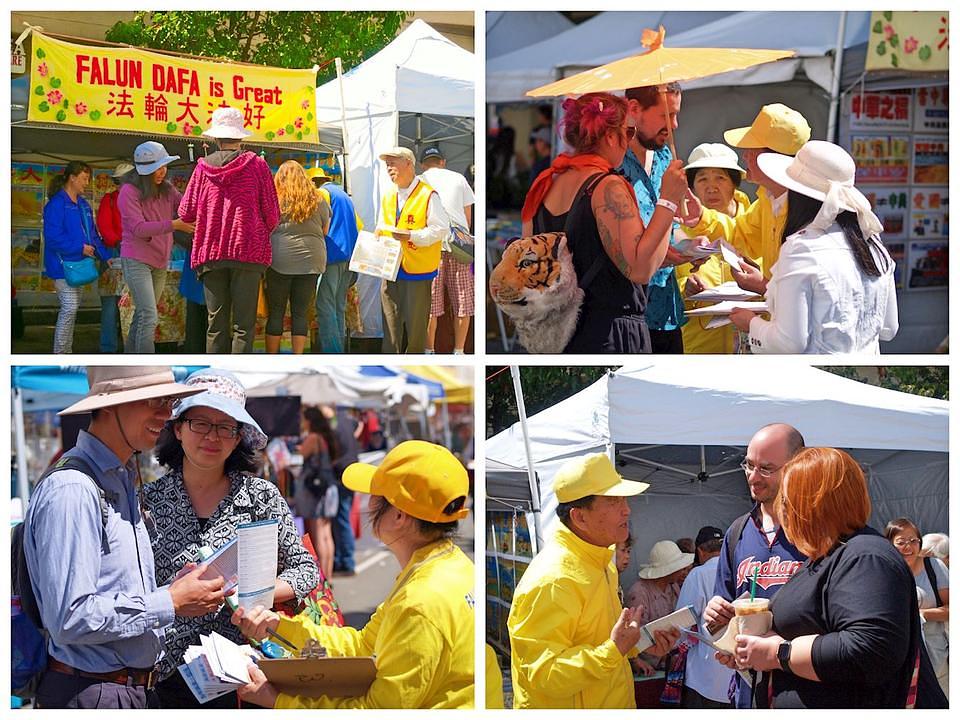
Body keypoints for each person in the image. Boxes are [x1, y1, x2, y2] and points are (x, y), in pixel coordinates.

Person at [22, 367, 228, 708]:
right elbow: (70, 618)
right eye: (153, 401)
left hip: (117, 690)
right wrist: (170, 601)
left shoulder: (117, 478)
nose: (166, 413)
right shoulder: (74, 488)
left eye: (169, 401)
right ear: (108, 405)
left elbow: (108, 591)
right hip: (92, 692)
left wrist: (172, 592)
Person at [231, 440, 475, 708]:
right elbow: (362, 646)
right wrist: (279, 627)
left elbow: (377, 709)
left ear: (399, 516)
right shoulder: (449, 565)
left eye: (376, 494)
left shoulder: (420, 603)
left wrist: (277, 701)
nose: (369, 503)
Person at [142, 369, 320, 707]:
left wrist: (254, 596)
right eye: (200, 424)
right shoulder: (146, 502)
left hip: (248, 671)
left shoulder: (261, 496)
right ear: (178, 429)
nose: (213, 436)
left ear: (238, 437)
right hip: (166, 672)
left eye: (226, 427)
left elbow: (305, 569)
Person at [731, 448, 947, 708]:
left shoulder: (865, 556)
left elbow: (870, 649)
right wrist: (754, 646)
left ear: (814, 502)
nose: (782, 508)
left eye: (787, 499)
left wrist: (779, 653)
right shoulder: (827, 555)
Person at [507, 453, 679, 708]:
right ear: (580, 517)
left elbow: (602, 640)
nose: (626, 510)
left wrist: (640, 643)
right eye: (613, 501)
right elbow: (543, 674)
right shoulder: (553, 578)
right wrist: (614, 650)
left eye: (624, 499)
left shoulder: (602, 564)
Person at [520, 92, 688, 353]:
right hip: (607, 333)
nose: (629, 140)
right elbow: (640, 268)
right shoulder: (608, 186)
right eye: (628, 132)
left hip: (561, 332)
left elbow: (528, 256)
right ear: (610, 136)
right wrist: (668, 201)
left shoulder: (545, 183)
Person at [729, 141, 899, 353]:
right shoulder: (873, 243)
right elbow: (888, 328)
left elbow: (788, 343)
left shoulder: (801, 248)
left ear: (798, 195)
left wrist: (751, 323)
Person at [702, 423, 806, 708]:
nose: (753, 477)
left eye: (766, 469)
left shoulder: (815, 533)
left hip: (803, 691)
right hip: (750, 692)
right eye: (749, 465)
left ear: (796, 466)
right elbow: (723, 616)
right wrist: (716, 618)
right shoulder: (738, 532)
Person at [179, 106, 281, 353]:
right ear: (240, 137)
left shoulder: (202, 169)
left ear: (215, 138)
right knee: (244, 326)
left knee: (216, 325)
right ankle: (239, 372)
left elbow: (185, 212)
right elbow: (272, 215)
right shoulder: (258, 166)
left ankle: (216, 371)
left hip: (211, 254)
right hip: (248, 252)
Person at [679, 103, 812, 292]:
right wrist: (701, 217)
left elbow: (810, 289)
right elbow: (740, 236)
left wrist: (764, 287)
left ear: (773, 157)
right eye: (702, 179)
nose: (745, 156)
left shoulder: (810, 209)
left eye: (752, 149)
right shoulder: (768, 200)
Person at [619, 83, 692, 354]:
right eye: (665, 115)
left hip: (666, 309)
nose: (674, 125)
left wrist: (688, 248)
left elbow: (671, 227)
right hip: (628, 313)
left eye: (676, 115)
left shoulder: (665, 156)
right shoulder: (613, 162)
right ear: (634, 109)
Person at [119, 141, 194, 353]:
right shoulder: (128, 191)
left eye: (164, 167)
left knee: (143, 315)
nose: (162, 172)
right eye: (157, 168)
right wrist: (175, 225)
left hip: (160, 261)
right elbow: (139, 228)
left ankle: (130, 360)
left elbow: (186, 207)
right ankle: (146, 363)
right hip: (136, 259)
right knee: (149, 315)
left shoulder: (167, 189)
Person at [676, 143, 751, 354]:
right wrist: (685, 288)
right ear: (691, 187)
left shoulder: (755, 224)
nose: (711, 187)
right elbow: (665, 284)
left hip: (755, 346)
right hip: (698, 349)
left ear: (735, 183)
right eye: (702, 179)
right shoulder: (678, 231)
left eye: (720, 178)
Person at [376, 147, 449, 354]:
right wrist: (378, 234)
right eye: (387, 164)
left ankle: (414, 362)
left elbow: (441, 229)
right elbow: (382, 224)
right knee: (390, 325)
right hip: (390, 268)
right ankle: (390, 361)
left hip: (417, 270)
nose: (389, 168)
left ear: (409, 163)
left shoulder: (428, 195)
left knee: (416, 328)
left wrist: (411, 236)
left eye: (393, 163)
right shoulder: (389, 195)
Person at [42, 161, 107, 353]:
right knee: (69, 307)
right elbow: (53, 238)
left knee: (72, 309)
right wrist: (80, 248)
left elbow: (92, 234)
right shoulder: (56, 204)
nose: (87, 183)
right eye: (84, 179)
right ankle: (61, 353)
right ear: (72, 178)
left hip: (80, 265)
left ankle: (66, 351)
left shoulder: (83, 204)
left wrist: (105, 256)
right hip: (62, 266)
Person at [266, 161, 330, 353]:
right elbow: (325, 230)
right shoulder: (318, 199)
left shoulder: (274, 198)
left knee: (276, 311)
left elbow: (266, 227)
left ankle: (271, 357)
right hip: (311, 259)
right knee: (300, 313)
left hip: (280, 259)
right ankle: (298, 357)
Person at [885, 517, 950, 697]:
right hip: (901, 662)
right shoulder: (885, 571)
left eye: (913, 540)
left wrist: (921, 615)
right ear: (889, 545)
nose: (908, 546)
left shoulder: (934, 566)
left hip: (937, 658)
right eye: (901, 542)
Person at [420, 147, 475, 355]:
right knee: (463, 302)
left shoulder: (419, 181)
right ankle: (459, 351)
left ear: (422, 165)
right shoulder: (459, 178)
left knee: (430, 305)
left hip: (431, 246)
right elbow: (467, 218)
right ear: (443, 161)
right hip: (459, 247)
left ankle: (429, 351)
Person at [674, 526, 733, 708]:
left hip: (705, 674)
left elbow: (681, 623)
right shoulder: (738, 569)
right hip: (737, 669)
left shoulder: (698, 574)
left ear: (699, 551)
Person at [306, 168, 360, 353]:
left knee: (325, 305)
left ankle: (332, 352)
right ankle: (339, 350)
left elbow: (320, 224)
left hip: (332, 255)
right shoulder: (344, 195)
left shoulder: (322, 194)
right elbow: (359, 224)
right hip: (349, 257)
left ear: (314, 183)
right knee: (338, 306)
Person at [294, 406, 340, 579]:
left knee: (318, 533)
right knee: (327, 533)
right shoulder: (325, 437)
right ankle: (328, 575)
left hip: (317, 491)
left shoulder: (313, 437)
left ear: (309, 420)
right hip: (328, 488)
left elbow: (300, 455)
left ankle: (322, 577)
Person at [95, 162, 133, 353]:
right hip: (115, 252)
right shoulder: (110, 199)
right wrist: (122, 242)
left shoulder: (138, 200)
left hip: (127, 252)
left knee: (127, 303)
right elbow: (105, 228)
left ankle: (123, 347)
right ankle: (111, 348)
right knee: (112, 304)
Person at [326, 405, 360, 576]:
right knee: (341, 519)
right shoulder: (346, 420)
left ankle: (346, 561)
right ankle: (342, 559)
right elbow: (359, 425)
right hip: (349, 473)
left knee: (341, 519)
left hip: (341, 475)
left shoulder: (334, 425)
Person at [626, 540, 694, 625]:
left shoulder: (673, 586)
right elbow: (638, 628)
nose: (682, 572)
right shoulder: (639, 593)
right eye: (680, 568)